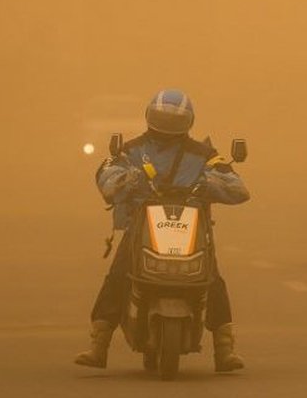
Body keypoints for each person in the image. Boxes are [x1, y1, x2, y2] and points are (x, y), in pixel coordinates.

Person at [75, 88, 250, 372]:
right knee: (119, 275)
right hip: (141, 228)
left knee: (212, 278)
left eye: (174, 120)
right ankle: (99, 345)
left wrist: (210, 185)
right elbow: (107, 175)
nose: (167, 126)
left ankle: (224, 348)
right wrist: (126, 179)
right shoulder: (131, 151)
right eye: (162, 118)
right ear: (149, 117)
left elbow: (238, 187)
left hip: (192, 230)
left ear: (188, 122)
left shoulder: (204, 154)